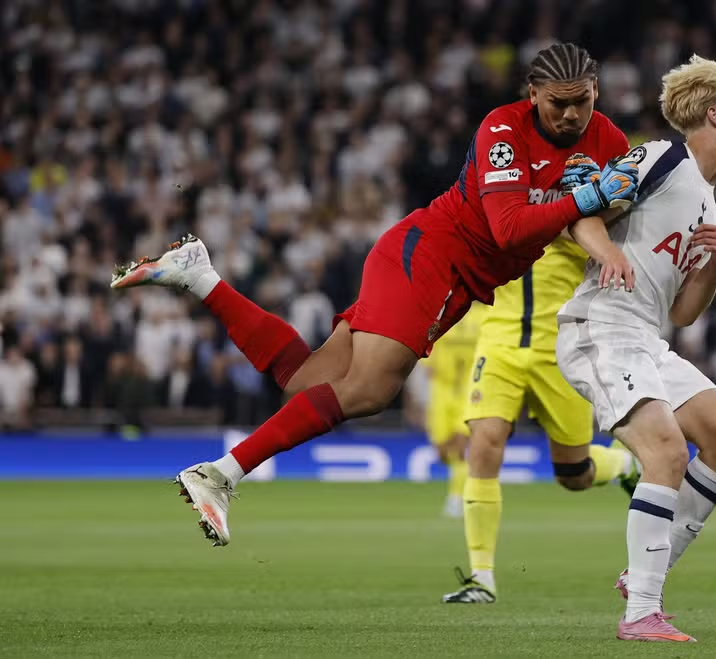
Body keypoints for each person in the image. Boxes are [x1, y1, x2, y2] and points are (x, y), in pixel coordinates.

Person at [109, 43, 639, 549]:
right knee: (368, 391)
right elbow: (507, 230)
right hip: (429, 253)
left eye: (582, 101)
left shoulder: (608, 141)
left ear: (597, 91)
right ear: (533, 95)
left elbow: (600, 216)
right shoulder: (504, 129)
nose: (571, 115)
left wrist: (609, 209)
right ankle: (220, 474)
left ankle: (198, 275)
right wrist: (587, 195)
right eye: (558, 103)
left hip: (458, 284)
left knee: (305, 383)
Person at [556, 54, 716, 643]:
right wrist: (608, 253)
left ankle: (648, 567)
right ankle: (641, 612)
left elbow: (683, 313)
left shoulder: (709, 203)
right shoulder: (659, 157)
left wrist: (714, 267)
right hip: (601, 326)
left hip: (646, 336)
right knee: (666, 450)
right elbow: (579, 216)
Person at [441, 233, 638, 604]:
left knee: (574, 475)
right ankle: (481, 578)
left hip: (561, 346)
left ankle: (624, 464)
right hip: (500, 341)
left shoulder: (581, 198)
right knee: (483, 444)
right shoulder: (504, 194)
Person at [421, 302, 488, 518]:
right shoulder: (444, 314)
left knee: (460, 447)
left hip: (470, 390)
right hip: (442, 391)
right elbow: (428, 348)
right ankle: (464, 478)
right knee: (442, 451)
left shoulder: (487, 314)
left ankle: (456, 499)